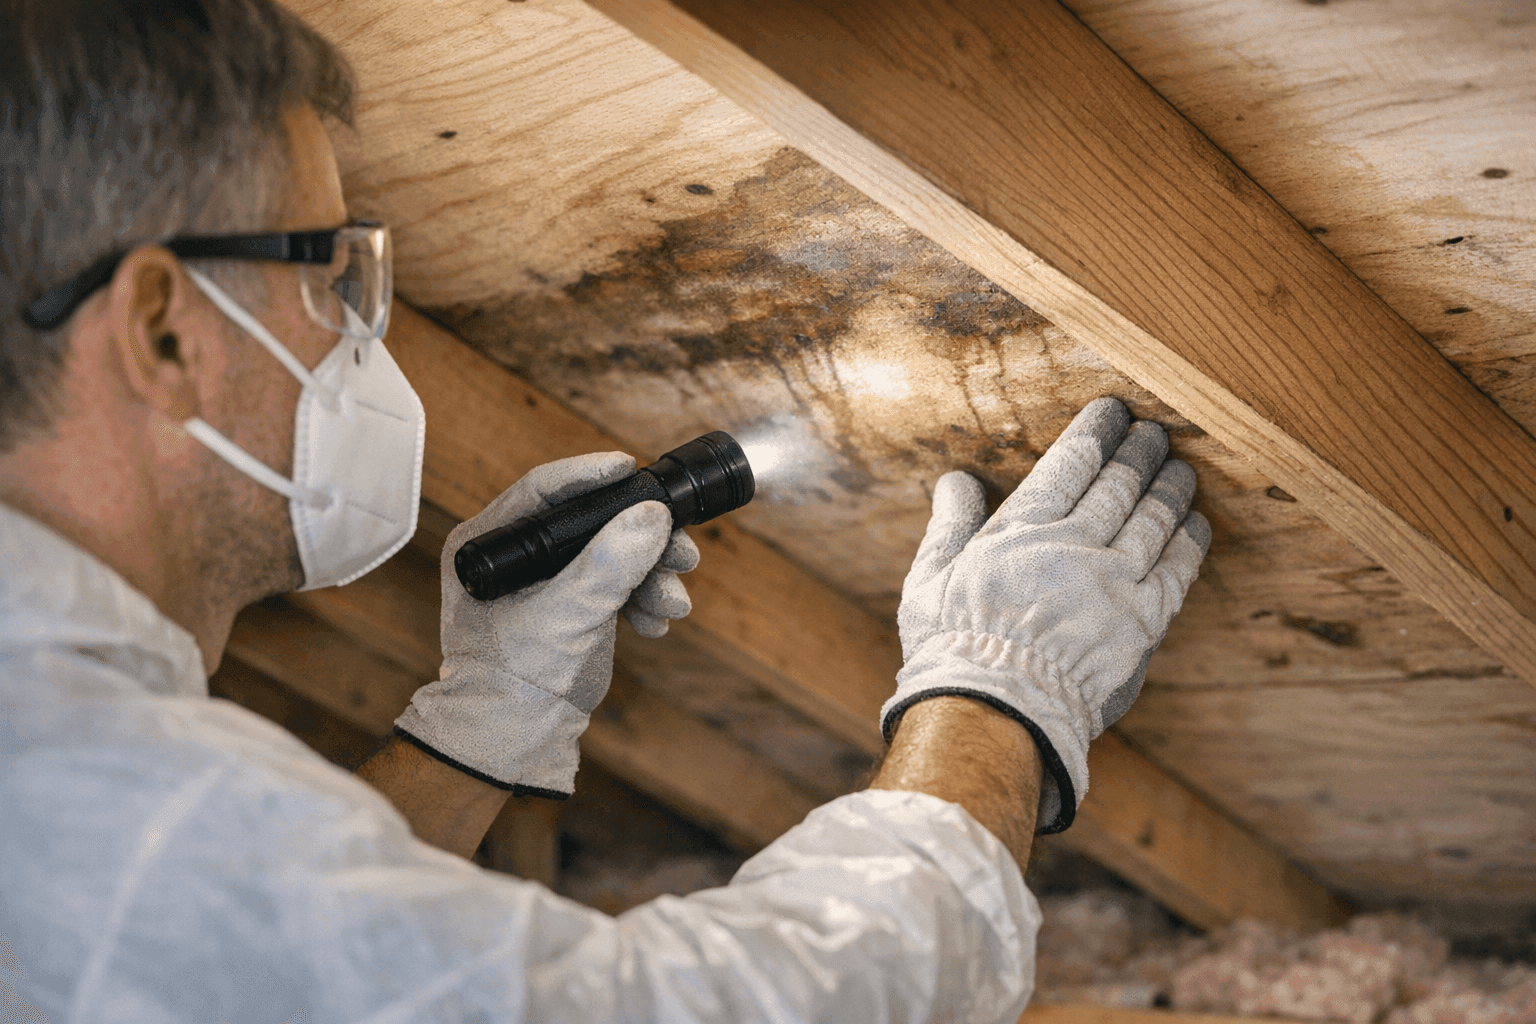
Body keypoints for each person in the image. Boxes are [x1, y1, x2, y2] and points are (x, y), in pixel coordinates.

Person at [0, 1, 1211, 1021]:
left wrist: (477, 721)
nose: (358, 324)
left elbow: (290, 961)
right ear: (163, 329)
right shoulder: (94, 801)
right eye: (331, 271)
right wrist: (992, 700)